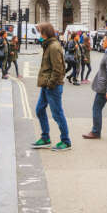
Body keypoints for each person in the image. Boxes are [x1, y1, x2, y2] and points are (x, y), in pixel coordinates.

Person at [32, 23, 71, 151]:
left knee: (57, 114)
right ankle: (45, 138)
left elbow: (58, 69)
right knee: (39, 110)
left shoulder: (53, 47)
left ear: (46, 33)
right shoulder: (48, 45)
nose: (39, 35)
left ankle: (66, 141)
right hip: (46, 85)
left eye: (40, 32)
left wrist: (50, 84)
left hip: (52, 86)